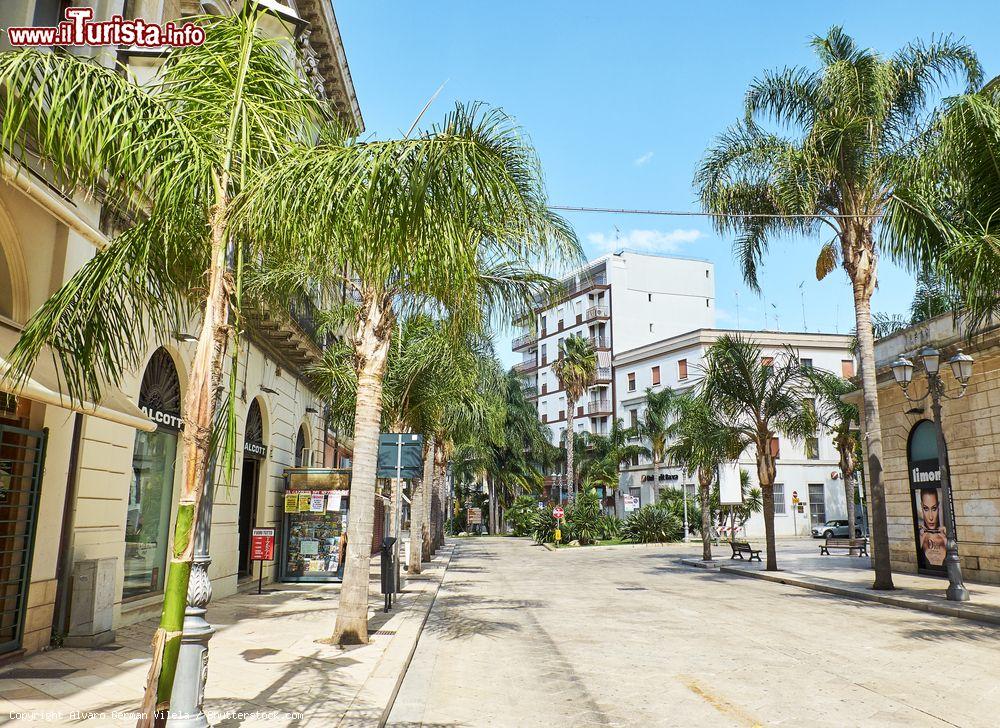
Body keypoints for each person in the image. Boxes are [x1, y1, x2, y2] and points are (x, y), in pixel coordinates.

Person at [918, 488, 947, 567]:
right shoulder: (921, 536)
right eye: (926, 509)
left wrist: (945, 540)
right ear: (921, 507)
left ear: (938, 507)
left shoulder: (945, 536)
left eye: (934, 509)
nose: (931, 517)